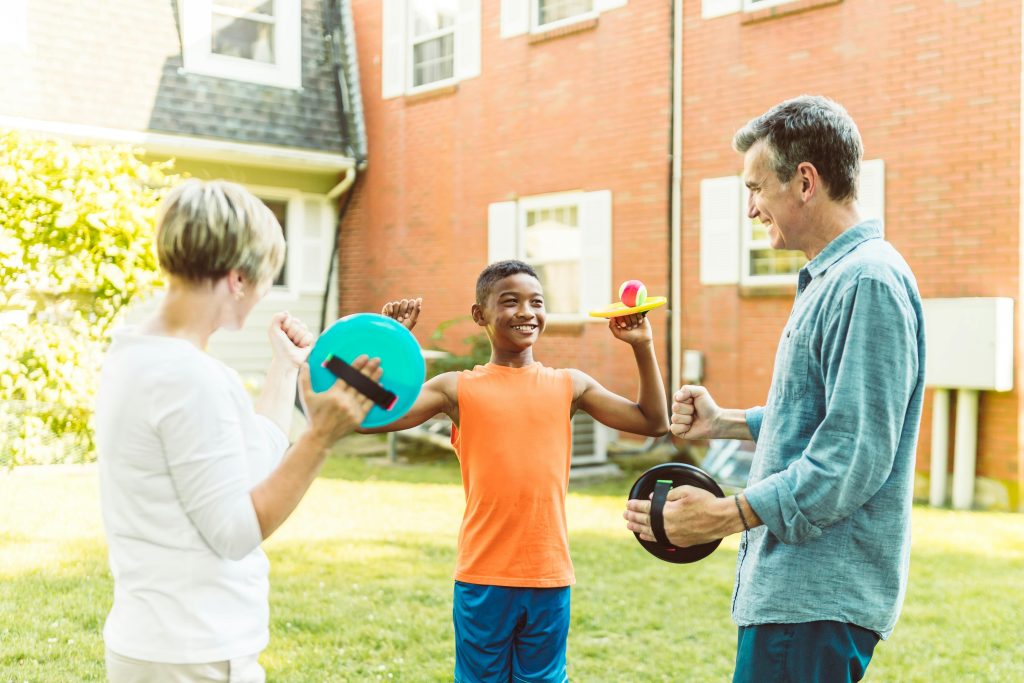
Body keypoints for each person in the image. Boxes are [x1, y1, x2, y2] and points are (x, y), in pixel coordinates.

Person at [624, 96, 926, 683]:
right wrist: (726, 422)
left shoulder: (867, 281)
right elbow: (821, 416)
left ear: (805, 181)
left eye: (756, 188)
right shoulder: (834, 277)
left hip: (815, 601)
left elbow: (850, 457)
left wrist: (724, 515)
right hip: (798, 600)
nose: (750, 208)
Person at [95, 179, 381, 683]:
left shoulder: (135, 356)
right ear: (237, 279)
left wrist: (283, 369)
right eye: (267, 280)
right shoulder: (190, 376)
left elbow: (247, 466)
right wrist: (318, 438)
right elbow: (235, 532)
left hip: (158, 644)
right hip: (193, 652)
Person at [374, 260, 669, 683]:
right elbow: (378, 416)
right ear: (480, 315)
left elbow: (652, 422)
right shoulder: (455, 388)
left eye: (536, 302)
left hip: (548, 573)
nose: (526, 312)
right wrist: (395, 343)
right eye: (510, 302)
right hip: (482, 576)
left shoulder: (570, 385)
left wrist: (642, 344)